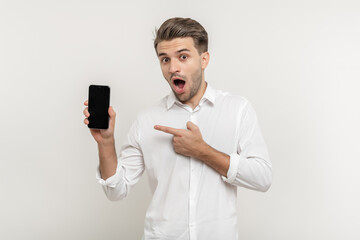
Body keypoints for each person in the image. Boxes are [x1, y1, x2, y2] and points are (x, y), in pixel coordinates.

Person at [83, 17, 272, 240]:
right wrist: (106, 142)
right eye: (165, 59)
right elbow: (116, 191)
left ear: (204, 59)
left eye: (183, 57)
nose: (173, 68)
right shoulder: (147, 120)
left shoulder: (237, 109)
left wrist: (203, 151)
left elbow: (262, 177)